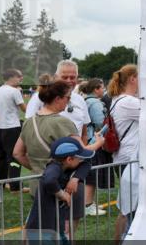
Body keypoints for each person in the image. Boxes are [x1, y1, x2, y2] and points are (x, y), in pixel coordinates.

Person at [26, 61, 95, 215]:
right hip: (50, 172)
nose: (70, 80)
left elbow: (84, 132)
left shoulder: (79, 100)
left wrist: (79, 160)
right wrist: (41, 169)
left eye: (73, 77)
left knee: (73, 219)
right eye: (65, 76)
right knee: (47, 223)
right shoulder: (39, 98)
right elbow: (29, 129)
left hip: (75, 173)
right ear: (56, 76)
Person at [107, 65, 139, 243]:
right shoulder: (129, 102)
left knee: (128, 207)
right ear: (133, 79)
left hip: (125, 158)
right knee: (129, 209)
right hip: (130, 160)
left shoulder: (120, 99)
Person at [0, 68, 26, 191]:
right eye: (19, 76)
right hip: (12, 128)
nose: (21, 78)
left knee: (0, 158)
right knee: (15, 157)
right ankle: (15, 186)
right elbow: (24, 109)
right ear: (11, 77)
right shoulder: (14, 91)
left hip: (0, 128)